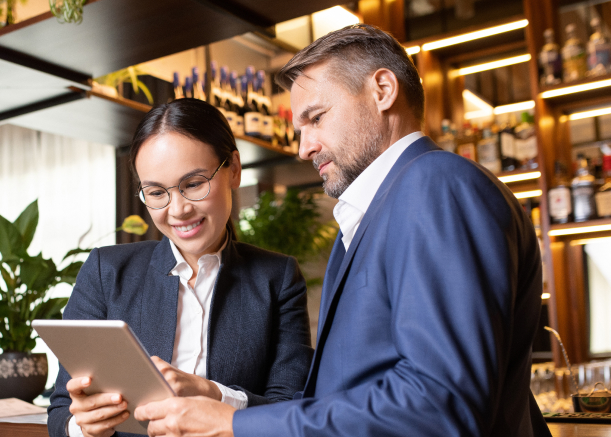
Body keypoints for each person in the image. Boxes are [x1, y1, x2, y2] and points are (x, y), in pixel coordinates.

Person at [133, 24, 552, 437]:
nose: (303, 147)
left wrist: (234, 423)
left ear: (383, 90)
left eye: (315, 118)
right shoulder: (375, 213)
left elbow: (441, 402)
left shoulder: (436, 184)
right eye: (300, 128)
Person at [47, 98, 314, 437]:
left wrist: (213, 394)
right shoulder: (106, 272)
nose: (178, 210)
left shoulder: (277, 278)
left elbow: (294, 410)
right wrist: (83, 427)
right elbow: (59, 412)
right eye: (156, 192)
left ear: (233, 169)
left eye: (193, 184)